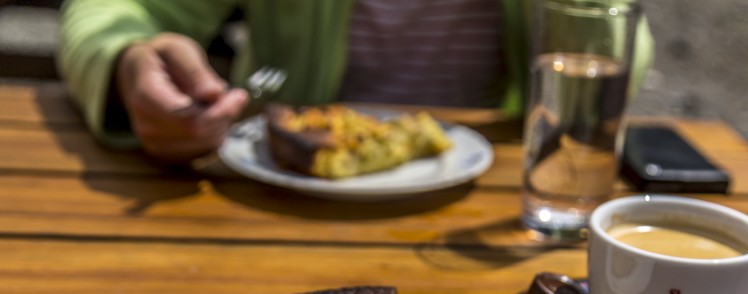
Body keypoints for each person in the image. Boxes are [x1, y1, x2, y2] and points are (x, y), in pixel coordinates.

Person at [58, 0, 653, 163]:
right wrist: (129, 60)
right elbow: (123, 9)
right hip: (271, 186)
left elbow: (613, 56)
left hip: (491, 186)